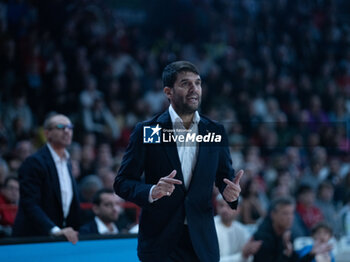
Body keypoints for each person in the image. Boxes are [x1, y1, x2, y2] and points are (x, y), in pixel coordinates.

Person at [114, 61, 244, 262]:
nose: (194, 90)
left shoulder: (215, 131)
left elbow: (224, 178)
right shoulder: (149, 131)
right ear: (168, 91)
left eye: (198, 83)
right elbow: (122, 182)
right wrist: (151, 191)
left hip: (201, 242)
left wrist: (231, 195)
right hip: (161, 242)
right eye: (185, 84)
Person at [13, 114, 80, 244]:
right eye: (61, 127)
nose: (67, 131)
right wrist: (54, 230)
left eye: (70, 127)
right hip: (33, 238)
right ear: (47, 133)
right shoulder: (34, 162)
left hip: (59, 238)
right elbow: (30, 203)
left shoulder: (68, 162)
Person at [253, 197, 331, 262]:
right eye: (285, 213)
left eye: (292, 213)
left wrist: (311, 254)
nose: (290, 217)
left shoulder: (287, 234)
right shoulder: (263, 237)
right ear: (273, 215)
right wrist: (286, 255)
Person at [214, 195, 262, 262]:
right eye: (221, 205)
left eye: (228, 206)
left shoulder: (241, 230)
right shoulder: (211, 228)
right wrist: (242, 256)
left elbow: (249, 258)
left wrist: (246, 254)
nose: (224, 210)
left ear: (238, 209)